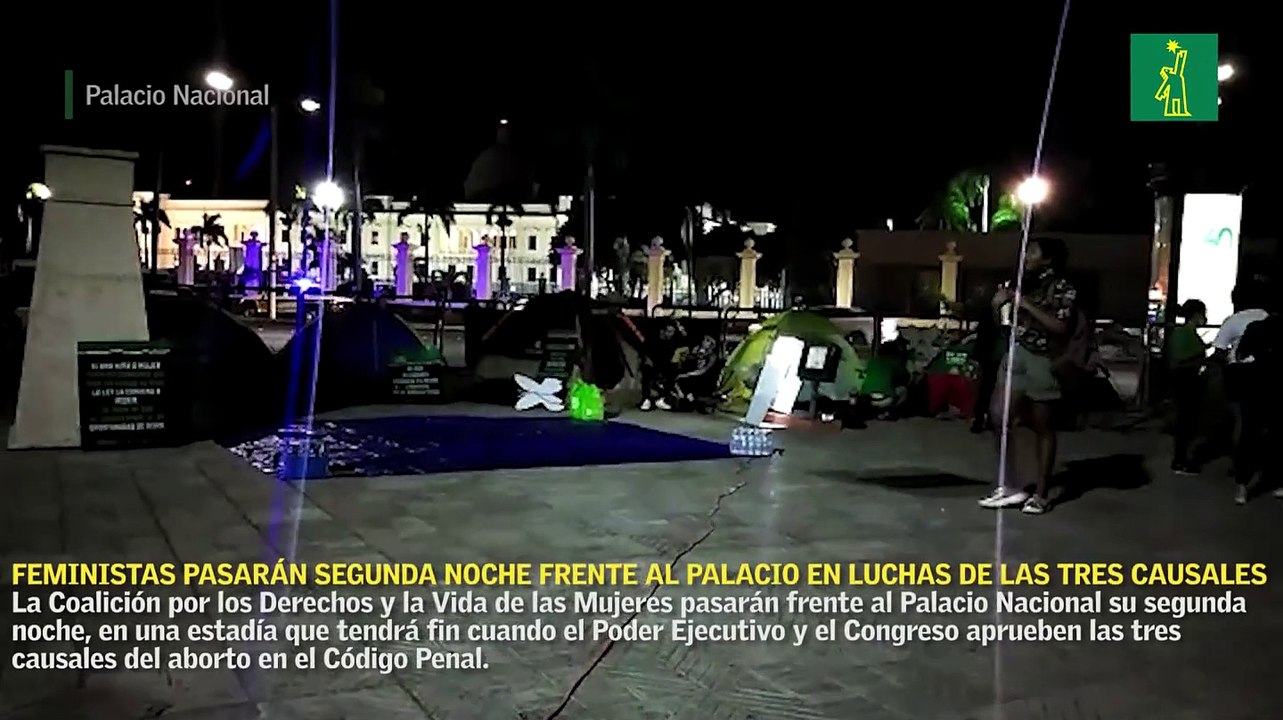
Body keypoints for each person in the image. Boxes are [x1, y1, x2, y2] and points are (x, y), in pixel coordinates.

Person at [979, 237, 1077, 515]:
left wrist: (1024, 303)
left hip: (1044, 359)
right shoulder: (1022, 283)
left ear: (1048, 259)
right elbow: (1005, 324)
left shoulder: (1063, 287)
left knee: (1042, 426)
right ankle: (1010, 486)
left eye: (1032, 252)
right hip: (1016, 353)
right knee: (998, 417)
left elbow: (1060, 326)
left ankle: (1041, 494)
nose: (1026, 256)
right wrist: (997, 306)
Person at [1211, 283, 1268, 484]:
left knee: (1239, 421)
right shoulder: (1268, 318)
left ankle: (1240, 467)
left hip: (1239, 375)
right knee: (1262, 421)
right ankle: (1261, 463)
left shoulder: (1233, 321)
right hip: (1266, 373)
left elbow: (1219, 351)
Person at [1230, 297, 1280, 504]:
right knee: (1277, 438)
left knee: (1249, 436)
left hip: (1255, 387)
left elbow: (1241, 353)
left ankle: (1242, 487)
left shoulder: (1255, 328)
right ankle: (1276, 482)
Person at [1167, 299, 1209, 475]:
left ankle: (1182, 458)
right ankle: (1180, 460)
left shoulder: (1184, 333)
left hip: (1185, 380)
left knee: (1186, 421)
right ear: (1196, 314)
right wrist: (1201, 356)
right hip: (1187, 381)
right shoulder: (1184, 334)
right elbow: (1179, 359)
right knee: (1186, 421)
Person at [639, 321, 681, 411]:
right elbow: (644, 354)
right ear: (662, 331)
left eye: (673, 332)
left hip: (663, 366)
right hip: (651, 365)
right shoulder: (651, 340)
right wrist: (647, 360)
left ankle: (661, 399)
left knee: (673, 372)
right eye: (669, 331)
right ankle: (646, 399)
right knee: (647, 370)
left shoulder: (671, 342)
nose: (671, 334)